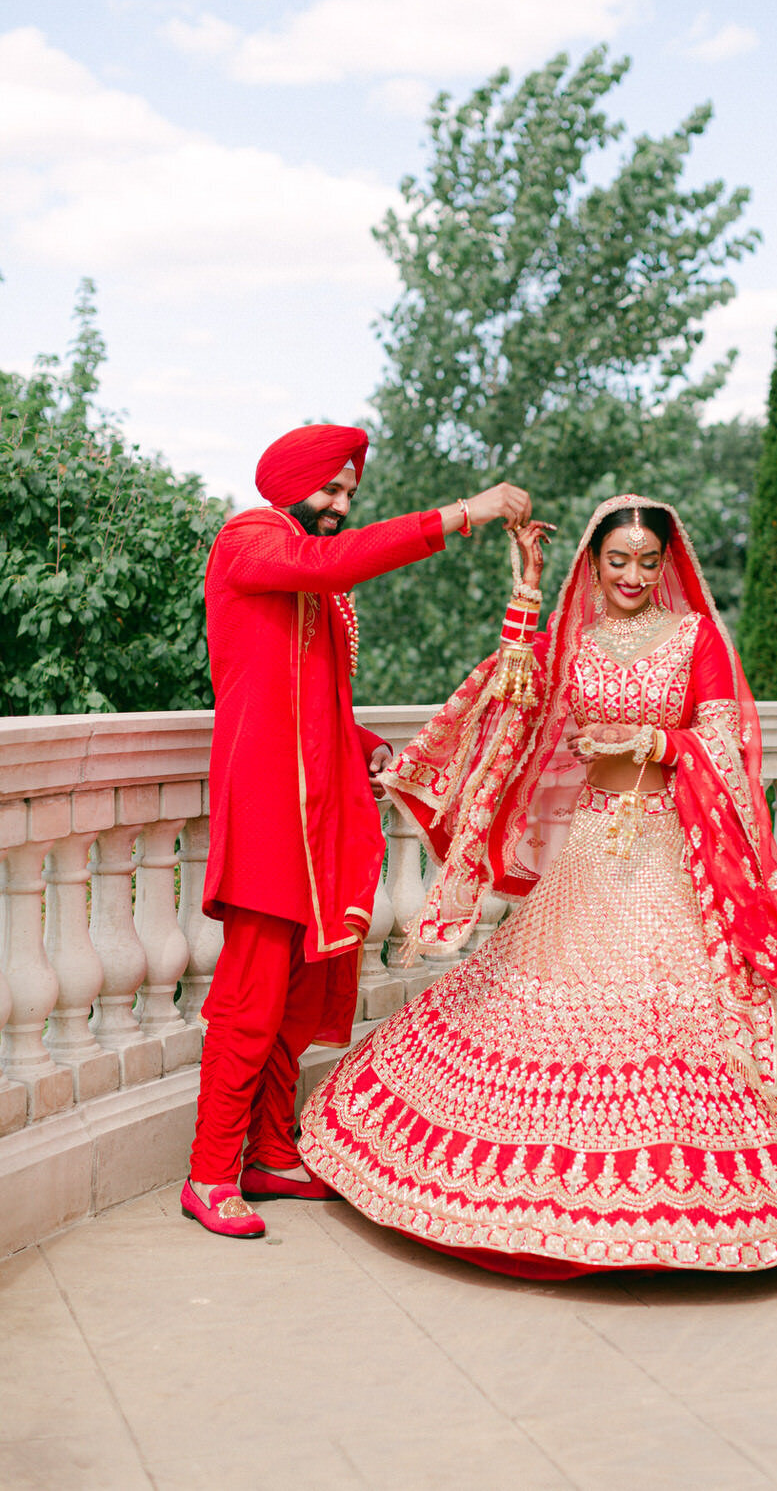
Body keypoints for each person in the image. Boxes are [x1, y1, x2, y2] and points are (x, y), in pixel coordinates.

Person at [297, 494, 777, 1278]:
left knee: (677, 1009)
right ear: (593, 562)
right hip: (594, 843)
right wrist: (526, 588)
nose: (632, 574)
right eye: (617, 559)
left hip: (670, 841)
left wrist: (657, 740)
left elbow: (725, 743)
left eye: (647, 560)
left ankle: (712, 1207)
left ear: (667, 564)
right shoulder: (578, 641)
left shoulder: (695, 638)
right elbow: (512, 700)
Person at [181, 422, 531, 1238]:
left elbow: (309, 699)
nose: (339, 506)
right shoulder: (251, 539)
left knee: (299, 998)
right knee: (251, 996)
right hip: (270, 810)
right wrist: (462, 514)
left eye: (349, 495)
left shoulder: (308, 574)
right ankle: (208, 1174)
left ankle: (268, 1155)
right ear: (286, 484)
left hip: (317, 810)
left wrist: (367, 747)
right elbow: (329, 562)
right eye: (329, 491)